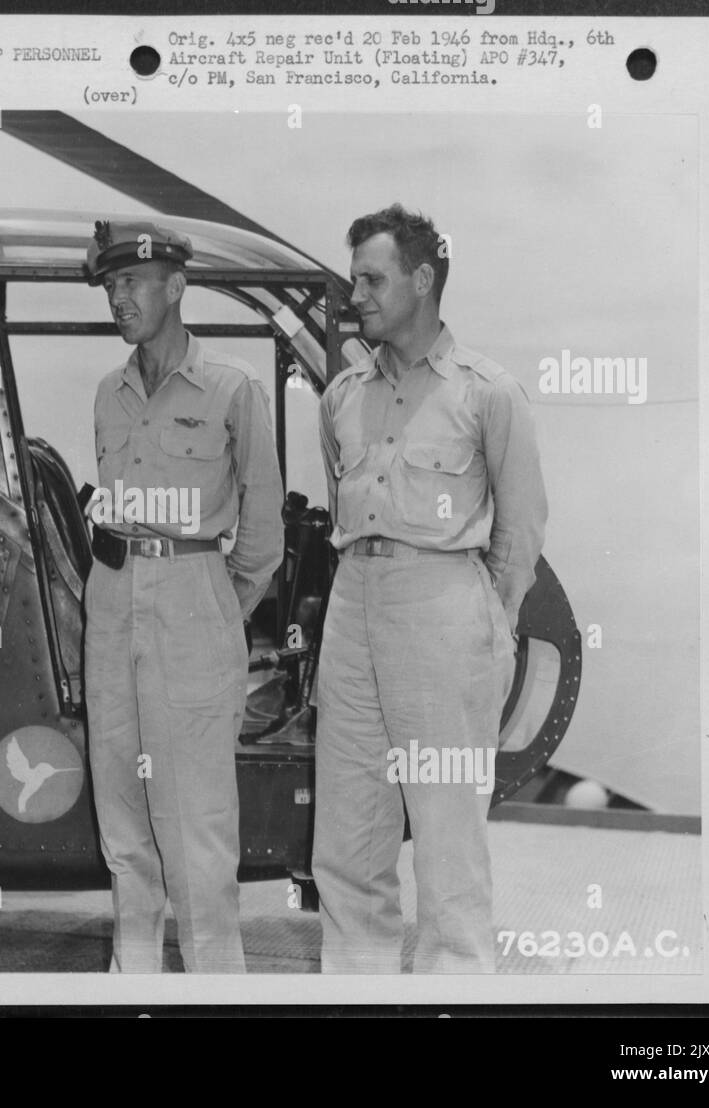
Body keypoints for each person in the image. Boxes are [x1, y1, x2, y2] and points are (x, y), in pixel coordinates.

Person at [314, 203, 547, 973]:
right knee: (348, 842)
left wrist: (488, 624)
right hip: (353, 610)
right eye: (354, 280)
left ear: (422, 279)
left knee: (447, 844)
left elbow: (519, 533)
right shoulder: (343, 394)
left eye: (373, 279)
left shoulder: (487, 392)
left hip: (443, 612)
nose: (358, 296)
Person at [82, 219, 284, 973]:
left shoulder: (232, 390)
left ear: (175, 285)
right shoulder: (109, 393)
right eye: (109, 286)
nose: (118, 299)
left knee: (196, 834)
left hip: (193, 597)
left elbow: (262, 537)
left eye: (131, 283)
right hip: (112, 603)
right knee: (124, 831)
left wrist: (209, 605)